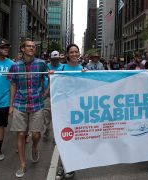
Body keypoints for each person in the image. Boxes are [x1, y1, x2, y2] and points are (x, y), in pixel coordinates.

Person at [9, 39, 49, 178]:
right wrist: (11, 106)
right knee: (20, 134)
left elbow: (49, 77)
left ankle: (34, 146)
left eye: (33, 46)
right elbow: (13, 85)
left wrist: (45, 93)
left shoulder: (41, 64)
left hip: (37, 103)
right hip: (20, 103)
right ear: (22, 49)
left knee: (36, 134)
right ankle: (22, 164)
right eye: (29, 46)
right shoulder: (15, 66)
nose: (32, 48)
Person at [55, 44, 86, 180]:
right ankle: (63, 167)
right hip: (63, 110)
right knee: (64, 139)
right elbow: (55, 87)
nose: (74, 54)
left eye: (76, 52)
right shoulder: (61, 69)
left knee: (75, 140)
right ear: (67, 54)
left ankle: (71, 166)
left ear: (79, 53)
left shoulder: (84, 70)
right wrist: (52, 76)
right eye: (71, 52)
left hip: (79, 111)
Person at [42, 51, 64, 139]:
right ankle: (46, 130)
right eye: (53, 60)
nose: (55, 61)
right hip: (47, 96)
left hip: (59, 96)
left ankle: (57, 136)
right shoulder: (45, 67)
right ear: (50, 59)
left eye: (57, 59)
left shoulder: (63, 67)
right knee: (46, 115)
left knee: (58, 116)